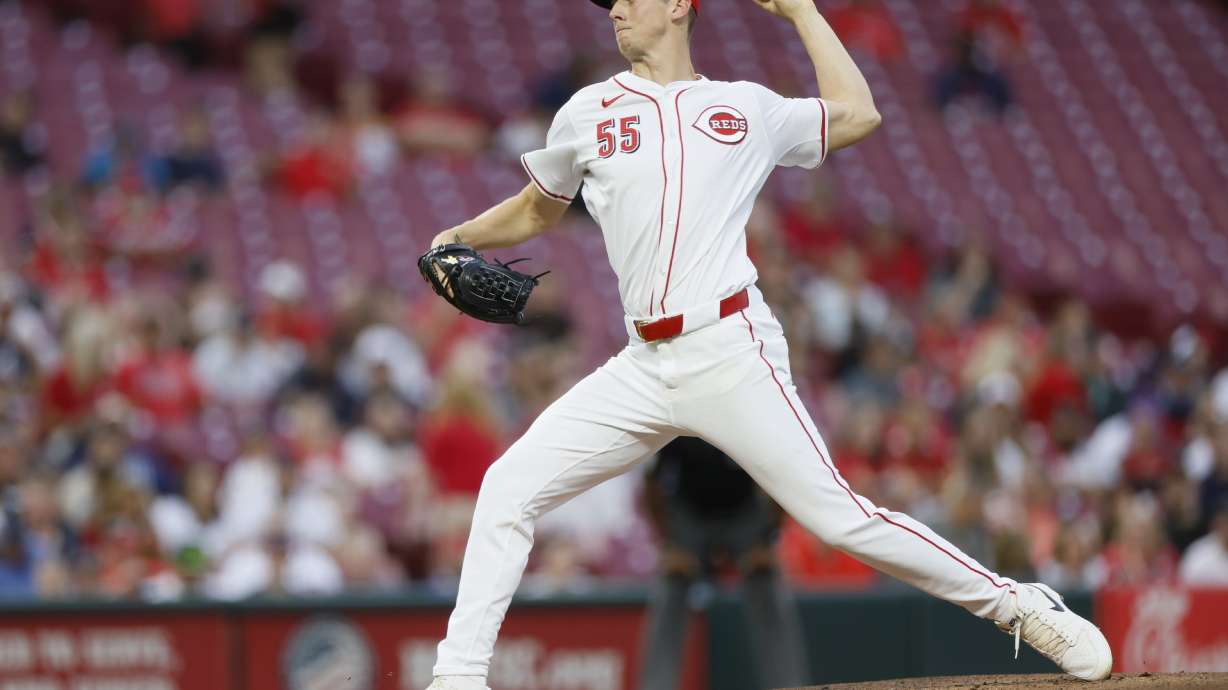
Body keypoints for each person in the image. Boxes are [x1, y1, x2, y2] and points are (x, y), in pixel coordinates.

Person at [421, 2, 1112, 689]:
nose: (618, 11)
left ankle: (1019, 607)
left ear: (679, 6)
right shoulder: (586, 111)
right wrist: (459, 237)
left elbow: (859, 112)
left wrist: (802, 12)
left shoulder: (742, 108)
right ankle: (458, 678)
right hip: (642, 363)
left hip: (729, 347)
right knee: (507, 487)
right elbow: (538, 206)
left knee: (842, 520)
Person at [639, 437, 805, 690]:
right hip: (689, 513)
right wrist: (669, 543)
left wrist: (768, 538)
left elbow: (785, 476)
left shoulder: (749, 411)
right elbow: (650, 481)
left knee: (766, 580)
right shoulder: (682, 411)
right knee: (672, 583)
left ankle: (790, 687)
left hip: (744, 512)